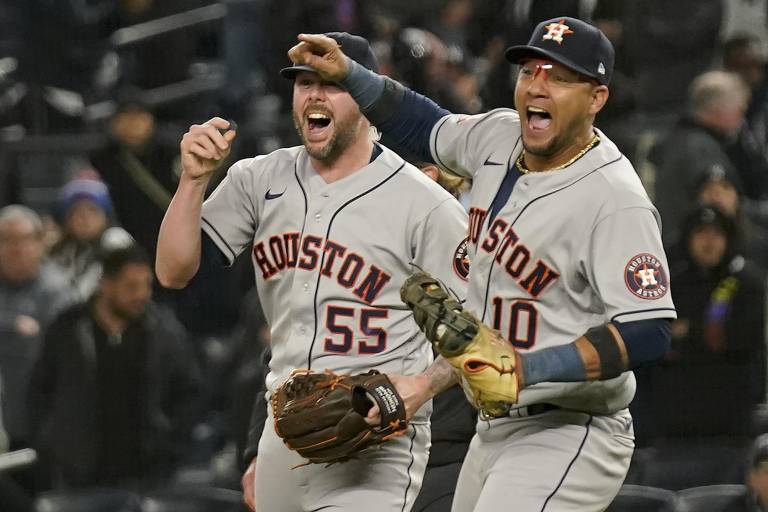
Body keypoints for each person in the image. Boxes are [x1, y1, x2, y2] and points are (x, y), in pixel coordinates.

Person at [288, 16, 676, 511]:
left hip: (571, 430)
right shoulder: (499, 136)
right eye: (530, 71)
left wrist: (528, 368)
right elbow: (422, 124)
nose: (537, 87)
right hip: (492, 427)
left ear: (596, 98)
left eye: (558, 77)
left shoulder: (615, 200)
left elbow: (649, 328)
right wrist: (351, 75)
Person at [155, 32, 469, 512]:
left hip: (376, 438)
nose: (314, 95)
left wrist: (421, 387)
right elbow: (173, 272)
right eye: (303, 83)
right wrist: (193, 181)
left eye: (332, 83)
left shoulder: (424, 204)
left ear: (366, 98)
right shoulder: (258, 180)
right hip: (285, 430)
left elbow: (485, 328)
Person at [27, 244, 199, 489]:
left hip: (147, 473)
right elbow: (40, 390)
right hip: (80, 475)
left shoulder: (163, 331)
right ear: (106, 284)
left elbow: (190, 390)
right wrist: (53, 444)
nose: (142, 294)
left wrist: (170, 440)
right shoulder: (67, 329)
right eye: (131, 286)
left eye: (147, 285)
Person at [0, 205, 72, 449]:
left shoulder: (57, 291)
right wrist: (12, 325)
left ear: (40, 242)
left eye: (24, 239)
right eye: (6, 240)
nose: (15, 248)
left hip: (44, 427)